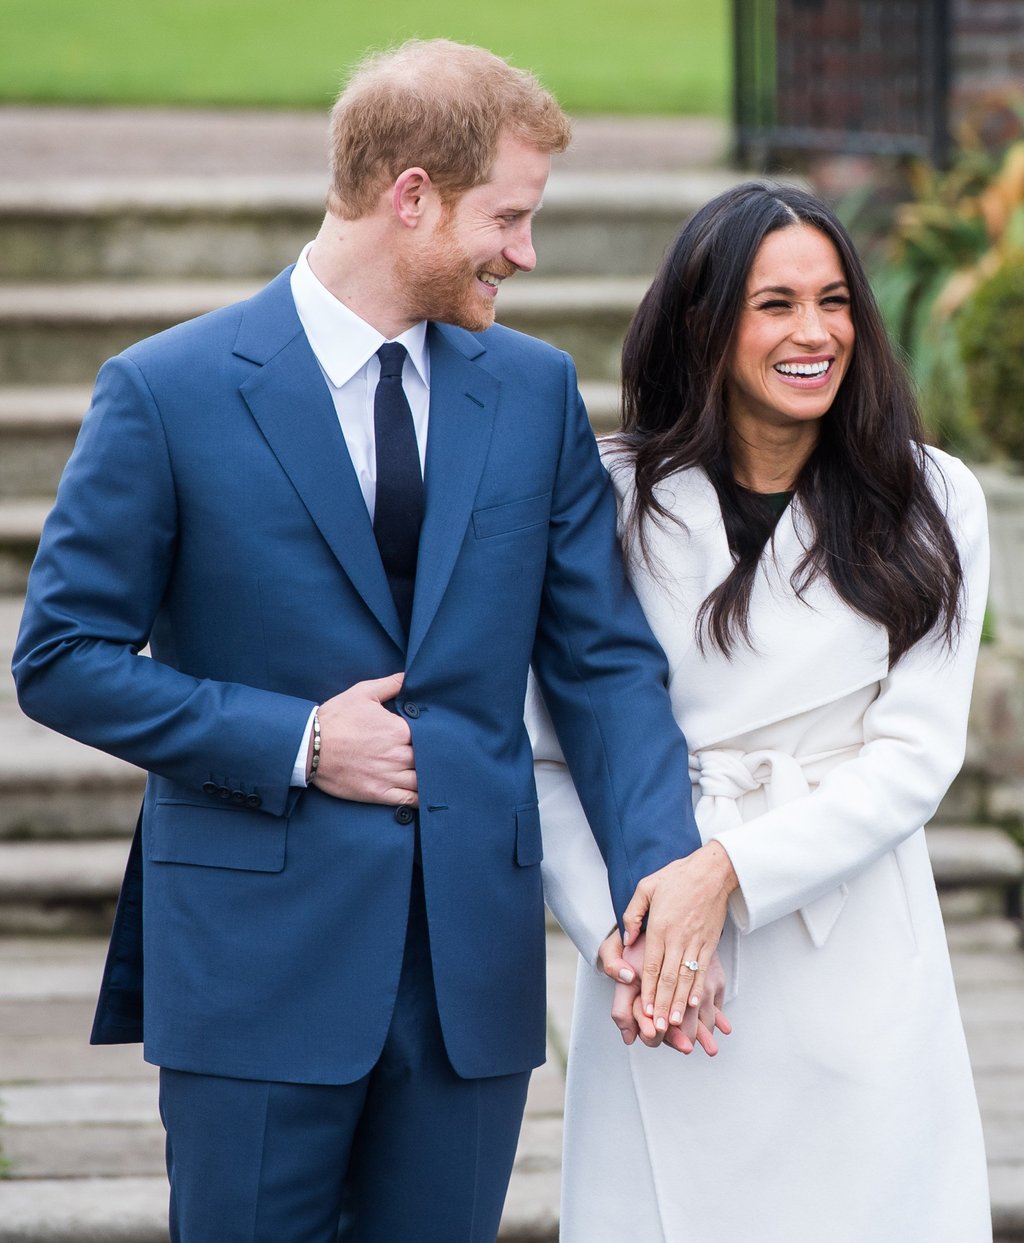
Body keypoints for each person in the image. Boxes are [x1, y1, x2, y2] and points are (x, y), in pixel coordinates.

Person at [11, 39, 725, 1243]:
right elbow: (60, 656)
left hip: (468, 982)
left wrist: (656, 883)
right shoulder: (166, 390)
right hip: (253, 968)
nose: (526, 252)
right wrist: (295, 739)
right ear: (411, 197)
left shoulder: (536, 392)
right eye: (509, 216)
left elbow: (601, 663)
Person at [530, 181, 992, 1241]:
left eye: (833, 302)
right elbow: (547, 753)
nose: (814, 332)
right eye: (774, 303)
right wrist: (620, 927)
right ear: (704, 321)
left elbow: (915, 758)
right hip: (657, 962)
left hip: (849, 936)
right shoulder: (604, 496)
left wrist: (725, 873)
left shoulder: (933, 497)